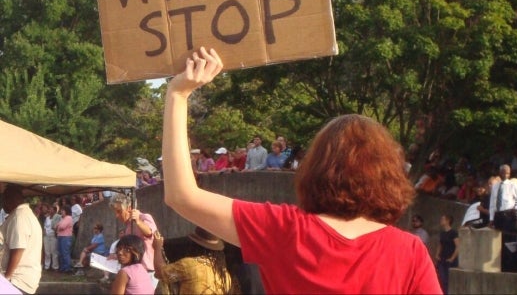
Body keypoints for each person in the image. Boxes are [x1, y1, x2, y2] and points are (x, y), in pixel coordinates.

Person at [161, 47, 441, 294]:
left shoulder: (283, 229)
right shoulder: (409, 251)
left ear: (316, 168)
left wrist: (178, 94)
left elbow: (181, 195)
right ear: (388, 176)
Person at [153, 227, 233, 294]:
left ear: (196, 244)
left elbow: (161, 273)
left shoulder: (190, 265)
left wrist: (157, 248)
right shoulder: (224, 274)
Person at [109, 193, 159, 289]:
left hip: (147, 271)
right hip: (133, 270)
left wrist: (138, 221)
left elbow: (149, 233)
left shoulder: (144, 217)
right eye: (115, 212)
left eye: (119, 211)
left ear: (129, 208)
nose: (116, 215)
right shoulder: (128, 226)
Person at [0, 184, 43, 294]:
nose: (2, 203)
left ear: (10, 199)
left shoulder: (19, 217)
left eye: (3, 199)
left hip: (17, 280)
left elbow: (18, 249)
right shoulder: (24, 214)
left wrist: (7, 278)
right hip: (22, 279)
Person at [489, 164, 517, 272]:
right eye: (503, 172)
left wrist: (515, 208)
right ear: (500, 173)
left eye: (507, 173)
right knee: (499, 241)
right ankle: (501, 264)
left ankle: (510, 266)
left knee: (509, 240)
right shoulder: (496, 186)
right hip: (498, 215)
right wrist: (491, 218)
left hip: (508, 215)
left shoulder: (512, 185)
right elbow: (492, 203)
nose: (505, 174)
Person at [435, 214, 459, 295]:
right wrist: (437, 254)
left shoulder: (453, 233)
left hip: (450, 260)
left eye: (443, 219)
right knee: (441, 279)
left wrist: (452, 258)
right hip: (442, 258)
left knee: (447, 280)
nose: (441, 221)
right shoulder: (442, 233)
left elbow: (458, 246)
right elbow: (440, 245)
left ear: (448, 221)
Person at [56, 205, 74, 274]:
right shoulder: (62, 218)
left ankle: (67, 268)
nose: (61, 212)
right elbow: (56, 226)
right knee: (60, 253)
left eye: (63, 210)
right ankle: (62, 268)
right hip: (60, 236)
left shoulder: (68, 218)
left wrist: (58, 227)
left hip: (66, 237)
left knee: (65, 253)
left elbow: (62, 226)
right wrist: (58, 227)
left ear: (66, 211)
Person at [43, 203, 61, 271]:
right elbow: (45, 226)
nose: (49, 210)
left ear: (54, 211)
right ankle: (47, 266)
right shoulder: (47, 218)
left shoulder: (58, 217)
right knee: (47, 252)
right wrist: (44, 232)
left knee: (54, 251)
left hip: (53, 235)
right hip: (46, 236)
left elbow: (58, 226)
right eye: (49, 209)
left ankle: (55, 266)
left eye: (51, 209)